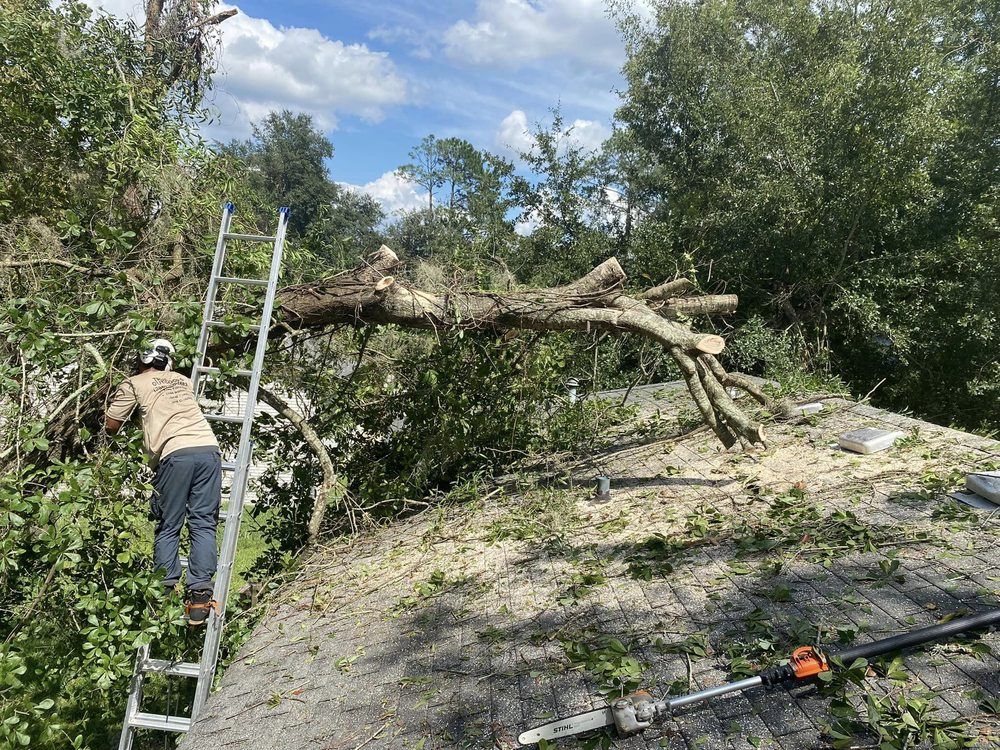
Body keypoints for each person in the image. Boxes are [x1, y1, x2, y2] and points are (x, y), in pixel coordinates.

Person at [105, 339, 221, 626]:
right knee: (203, 523)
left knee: (169, 524)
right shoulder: (183, 381)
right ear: (168, 362)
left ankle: (165, 591)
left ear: (142, 361)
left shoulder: (134, 384)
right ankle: (199, 599)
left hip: (175, 455)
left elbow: (110, 424)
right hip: (208, 451)